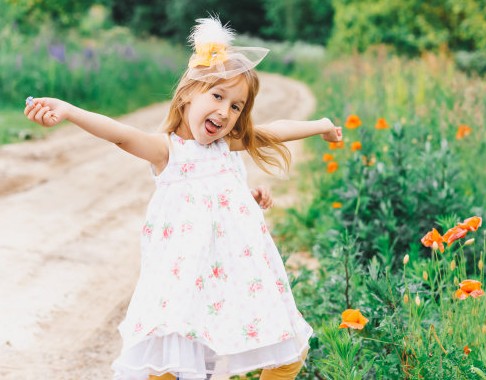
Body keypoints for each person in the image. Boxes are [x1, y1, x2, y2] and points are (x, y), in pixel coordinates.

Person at [23, 16, 342, 380]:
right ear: (190, 92)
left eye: (236, 106)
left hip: (229, 283)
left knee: (287, 354)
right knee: (171, 366)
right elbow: (120, 134)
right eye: (217, 96)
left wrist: (319, 127)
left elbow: (272, 133)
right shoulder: (168, 151)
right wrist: (69, 111)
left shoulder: (227, 148)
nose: (224, 111)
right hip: (182, 289)